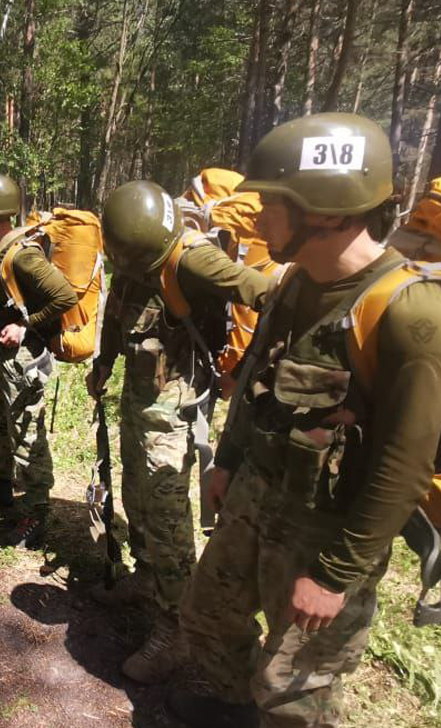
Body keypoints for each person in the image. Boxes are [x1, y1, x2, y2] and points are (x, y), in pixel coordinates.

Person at [172, 113, 441, 726]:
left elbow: (406, 468)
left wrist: (333, 578)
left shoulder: (411, 313)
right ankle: (230, 710)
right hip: (256, 492)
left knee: (294, 688)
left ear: (325, 211)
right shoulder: (295, 284)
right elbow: (257, 381)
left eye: (273, 202)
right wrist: (225, 462)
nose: (257, 217)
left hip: (324, 530)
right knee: (206, 613)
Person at [85, 180, 270, 684]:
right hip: (138, 404)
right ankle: (146, 577)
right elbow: (117, 314)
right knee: (135, 498)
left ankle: (176, 626)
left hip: (175, 415)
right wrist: (103, 364)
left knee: (167, 516)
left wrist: (249, 369)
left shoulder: (190, 261)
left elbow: (262, 292)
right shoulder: (132, 258)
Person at [0, 172, 77, 548]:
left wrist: (25, 324)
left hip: (22, 361)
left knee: (27, 435)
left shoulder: (23, 254)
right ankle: (0, 483)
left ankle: (35, 510)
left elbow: (64, 297)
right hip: (1, 357)